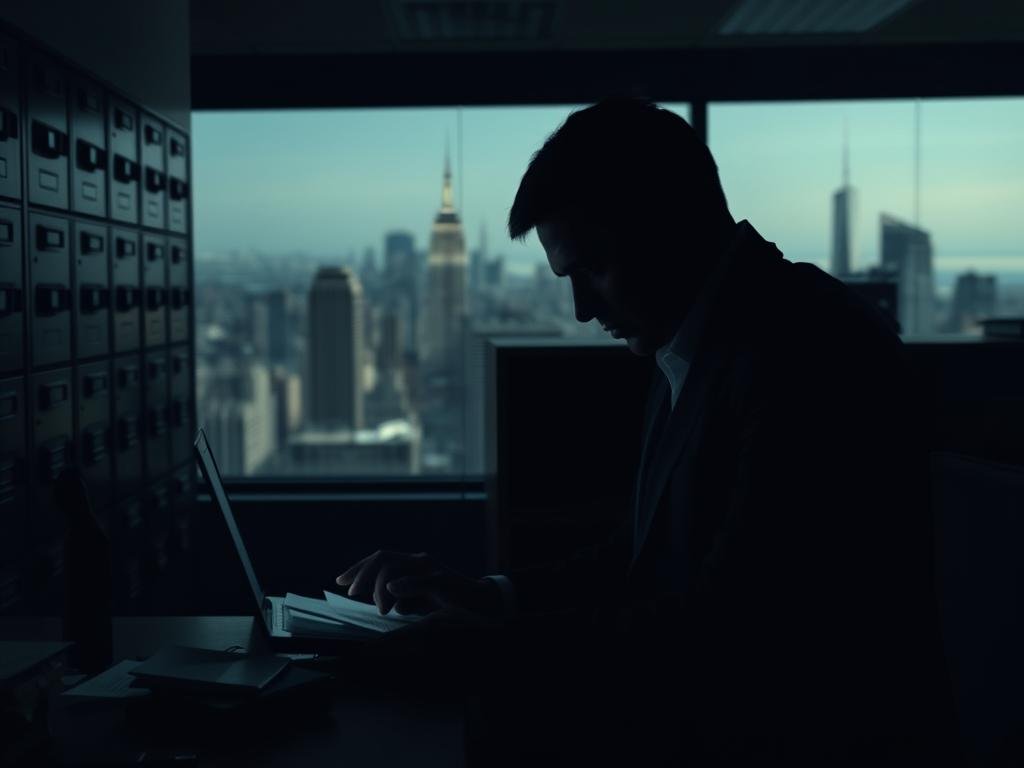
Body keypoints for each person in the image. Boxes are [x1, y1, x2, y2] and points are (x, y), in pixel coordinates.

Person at [336, 98, 956, 764]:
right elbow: (644, 553)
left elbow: (733, 630)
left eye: (595, 266)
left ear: (669, 223)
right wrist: (488, 597)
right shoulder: (701, 341)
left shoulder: (810, 354)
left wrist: (482, 648)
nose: (580, 311)